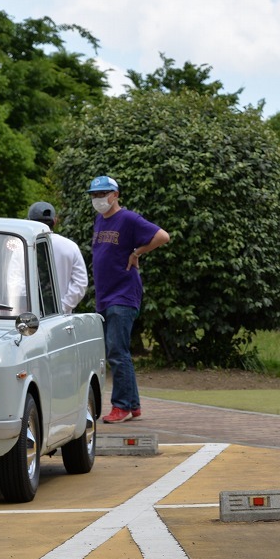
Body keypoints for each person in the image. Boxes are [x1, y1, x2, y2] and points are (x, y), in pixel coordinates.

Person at [88, 175, 170, 423]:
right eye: (94, 195)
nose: (98, 199)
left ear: (115, 195)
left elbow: (162, 236)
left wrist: (137, 252)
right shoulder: (100, 220)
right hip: (106, 295)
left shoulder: (128, 218)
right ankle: (133, 405)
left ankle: (121, 406)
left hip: (122, 295)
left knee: (116, 350)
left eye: (102, 194)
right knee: (118, 350)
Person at [27, 201, 89, 313]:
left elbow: (15, 280)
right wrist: (62, 307)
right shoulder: (70, 246)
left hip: (26, 316)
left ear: (29, 221)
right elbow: (81, 283)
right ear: (55, 221)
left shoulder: (22, 246)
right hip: (61, 320)